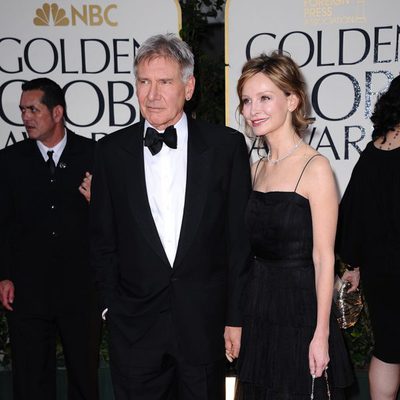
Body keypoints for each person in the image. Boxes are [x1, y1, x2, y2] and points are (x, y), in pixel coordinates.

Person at [89, 33, 251, 400]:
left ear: (188, 87)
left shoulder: (225, 147)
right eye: (144, 82)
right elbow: (102, 239)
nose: (152, 94)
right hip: (134, 329)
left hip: (203, 325)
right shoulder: (110, 153)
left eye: (164, 82)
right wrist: (111, 308)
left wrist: (235, 316)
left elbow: (238, 243)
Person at [234, 52, 353, 399]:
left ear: (292, 100)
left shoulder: (315, 168)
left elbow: (323, 259)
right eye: (247, 100)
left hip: (301, 311)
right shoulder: (256, 168)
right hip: (259, 307)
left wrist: (320, 334)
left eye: (265, 97)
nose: (253, 109)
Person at [0, 78, 101, 400]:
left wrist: (96, 202)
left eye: (33, 109)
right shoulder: (9, 161)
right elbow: (3, 223)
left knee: (84, 378)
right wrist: (4, 275)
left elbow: (114, 223)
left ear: (57, 112)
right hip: (28, 291)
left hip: (81, 289)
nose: (26, 117)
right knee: (30, 380)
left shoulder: (95, 155)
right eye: (22, 110)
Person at [337, 75, 400, 400]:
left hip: (380, 274)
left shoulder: (372, 152)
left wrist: (355, 264)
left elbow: (351, 214)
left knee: (389, 347)